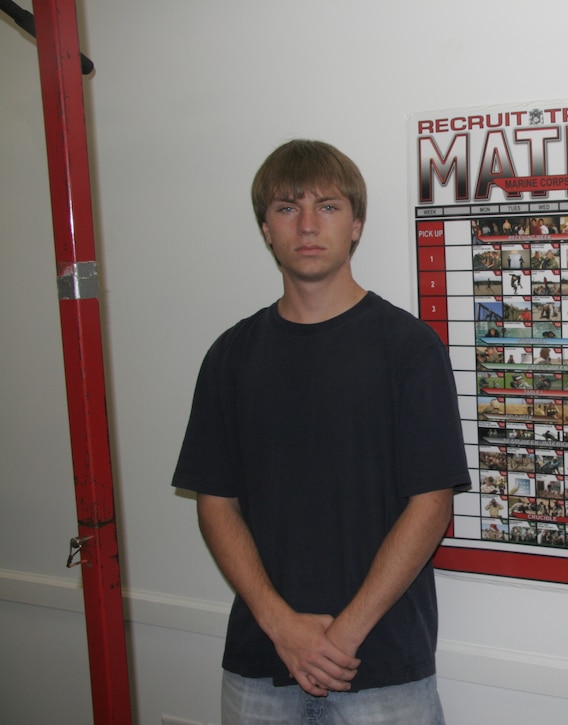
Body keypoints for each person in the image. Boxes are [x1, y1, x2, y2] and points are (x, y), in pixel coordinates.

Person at [172, 139, 469, 724]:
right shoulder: (230, 356)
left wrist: (340, 638)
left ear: (356, 224)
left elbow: (430, 507)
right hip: (260, 661)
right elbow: (216, 505)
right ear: (266, 227)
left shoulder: (410, 350)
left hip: (382, 667)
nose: (308, 225)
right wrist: (284, 628)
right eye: (288, 208)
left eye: (328, 207)